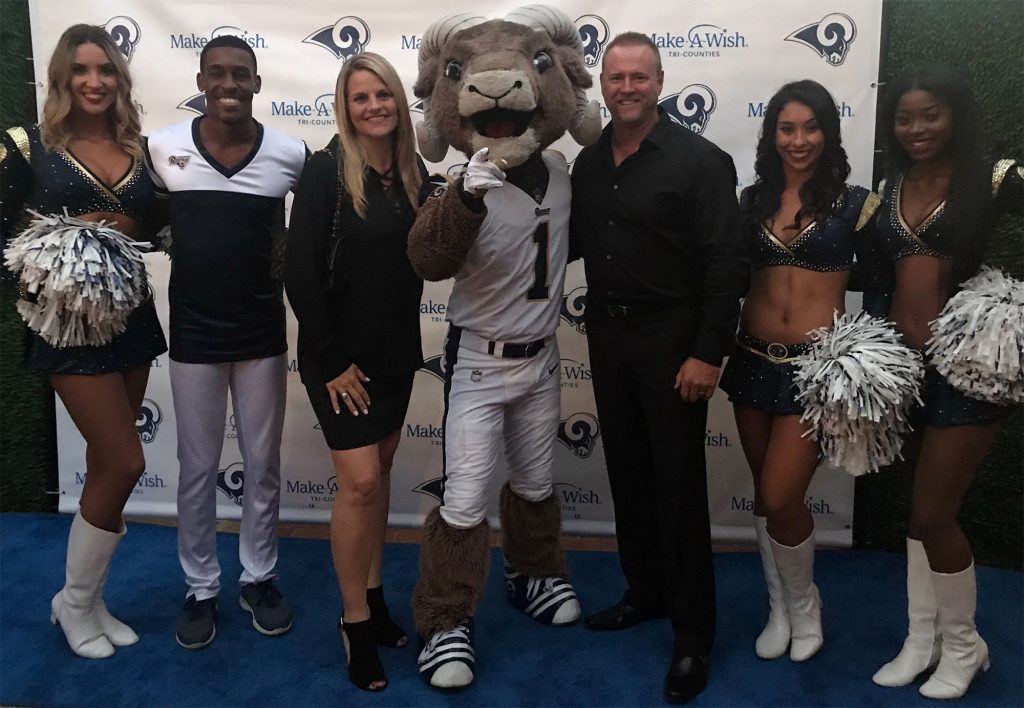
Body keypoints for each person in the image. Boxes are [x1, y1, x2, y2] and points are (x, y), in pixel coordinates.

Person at [569, 32, 747, 704]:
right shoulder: (588, 165)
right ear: (603, 86)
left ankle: (693, 637)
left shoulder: (701, 162)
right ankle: (644, 594)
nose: (627, 88)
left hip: (675, 341)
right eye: (616, 78)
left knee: (677, 488)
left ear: (660, 80)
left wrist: (708, 351)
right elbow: (565, 246)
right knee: (629, 477)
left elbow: (727, 262)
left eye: (639, 77)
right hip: (608, 338)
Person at [0, 24, 167, 659]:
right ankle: (72, 604)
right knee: (126, 460)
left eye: (105, 70)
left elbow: (155, 224)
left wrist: (133, 224)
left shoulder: (139, 148)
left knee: (107, 466)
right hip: (68, 330)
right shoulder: (29, 148)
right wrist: (48, 263)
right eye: (81, 70)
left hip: (132, 318)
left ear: (119, 80)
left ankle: (89, 599)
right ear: (62, 77)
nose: (93, 81)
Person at [144, 35, 307, 650]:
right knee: (196, 467)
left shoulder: (290, 154)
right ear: (201, 80)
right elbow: (132, 213)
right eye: (218, 74)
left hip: (263, 333)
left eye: (242, 74)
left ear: (258, 83)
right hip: (193, 333)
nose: (230, 84)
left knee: (262, 465)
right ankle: (201, 586)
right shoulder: (163, 147)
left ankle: (258, 576)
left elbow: (326, 226)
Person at [871, 66, 1021, 700]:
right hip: (905, 370)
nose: (917, 128)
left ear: (953, 114)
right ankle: (921, 638)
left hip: (965, 368)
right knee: (917, 511)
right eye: (905, 118)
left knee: (936, 512)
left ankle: (965, 647)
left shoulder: (995, 177)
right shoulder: (890, 183)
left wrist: (1009, 305)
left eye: (929, 115)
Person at [717, 80, 880, 663]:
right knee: (765, 497)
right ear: (772, 135)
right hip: (752, 362)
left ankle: (805, 606)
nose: (799, 139)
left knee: (782, 494)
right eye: (787, 128)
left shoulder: (856, 202)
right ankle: (779, 609)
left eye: (811, 127)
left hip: (816, 372)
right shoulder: (750, 201)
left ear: (828, 133)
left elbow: (887, 282)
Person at [284, 52, 424, 692]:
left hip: (397, 352)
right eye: (360, 97)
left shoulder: (415, 173)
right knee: (361, 482)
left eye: (383, 95)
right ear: (346, 107)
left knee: (382, 475)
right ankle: (355, 620)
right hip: (338, 358)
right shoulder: (323, 172)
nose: (374, 106)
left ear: (398, 100)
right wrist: (334, 360)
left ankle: (376, 593)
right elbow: (299, 273)